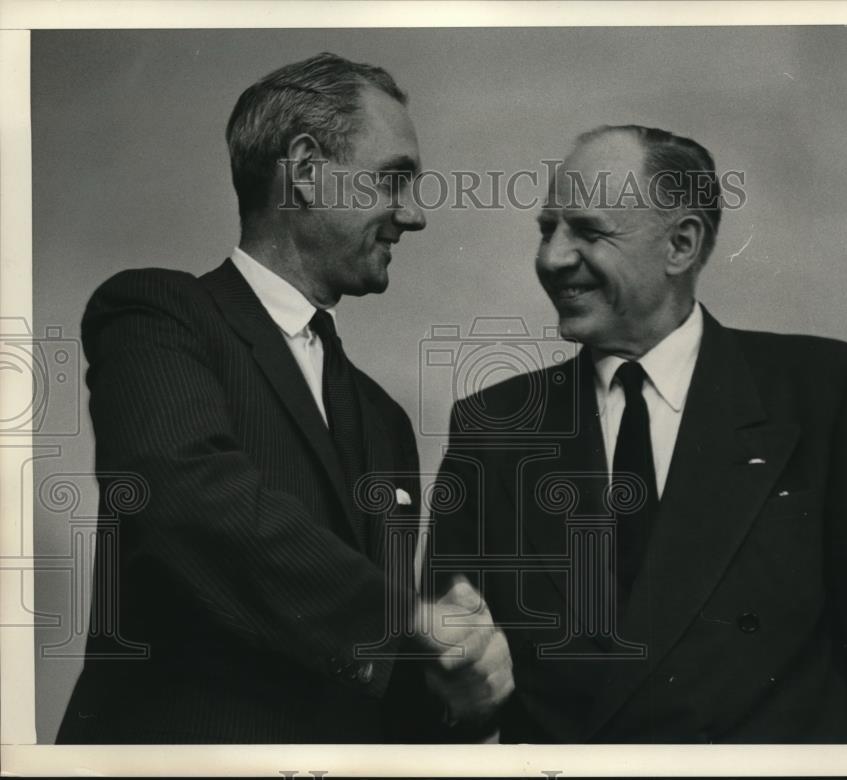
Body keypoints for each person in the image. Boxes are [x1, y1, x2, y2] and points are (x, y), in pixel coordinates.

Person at [430, 124, 847, 743]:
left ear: (681, 245)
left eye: (588, 231)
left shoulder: (825, 394)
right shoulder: (493, 427)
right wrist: (458, 697)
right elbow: (439, 684)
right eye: (548, 229)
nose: (552, 258)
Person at [57, 52, 509, 744]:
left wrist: (459, 697)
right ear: (304, 169)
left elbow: (369, 672)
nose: (414, 216)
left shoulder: (383, 421)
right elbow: (185, 496)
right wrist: (407, 619)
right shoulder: (157, 315)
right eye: (394, 180)